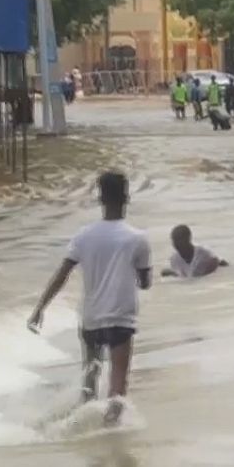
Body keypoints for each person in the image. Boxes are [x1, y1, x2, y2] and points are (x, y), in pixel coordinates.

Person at [27, 172, 152, 425]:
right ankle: (107, 438)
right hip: (120, 320)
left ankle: (80, 432)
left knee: (89, 384)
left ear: (100, 198)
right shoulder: (137, 239)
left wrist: (40, 307)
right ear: (127, 197)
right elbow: (145, 282)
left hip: (91, 319)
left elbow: (62, 274)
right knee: (117, 389)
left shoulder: (84, 235)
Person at [161, 225, 228, 278]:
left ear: (189, 238)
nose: (177, 244)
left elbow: (219, 262)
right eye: (174, 240)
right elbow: (184, 276)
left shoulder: (203, 254)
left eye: (180, 240)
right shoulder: (174, 259)